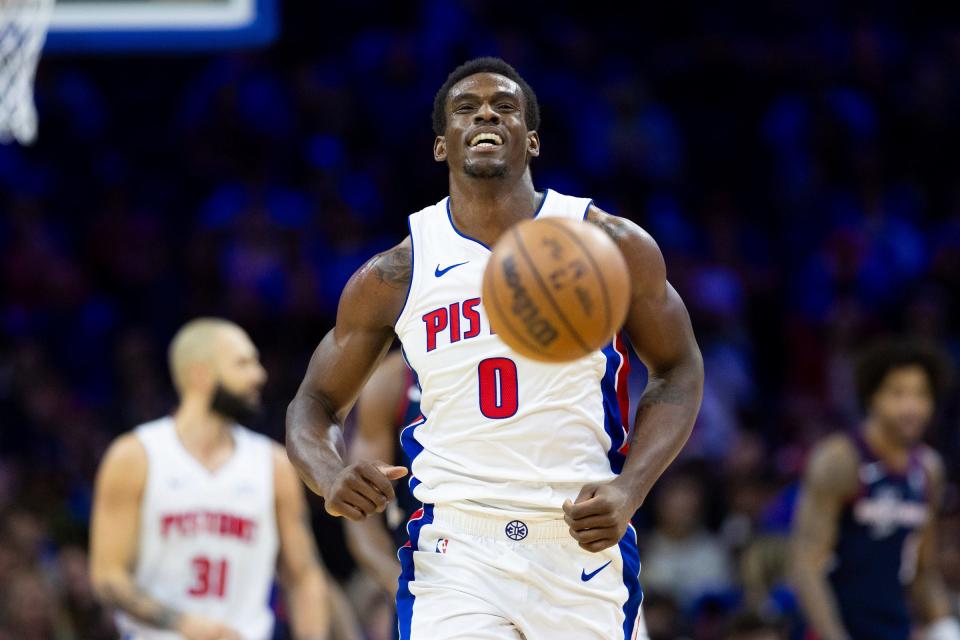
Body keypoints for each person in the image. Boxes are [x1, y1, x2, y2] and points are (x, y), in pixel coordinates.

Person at [286, 56, 703, 640]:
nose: (486, 112)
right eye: (465, 108)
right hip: (455, 549)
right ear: (441, 145)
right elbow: (313, 403)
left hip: (577, 534)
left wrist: (631, 487)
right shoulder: (397, 273)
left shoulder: (607, 243)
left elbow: (679, 368)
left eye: (504, 107)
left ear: (530, 140)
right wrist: (329, 475)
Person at [90, 318, 329, 640]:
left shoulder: (273, 464)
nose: (259, 375)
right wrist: (185, 624)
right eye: (242, 363)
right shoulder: (135, 456)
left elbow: (303, 576)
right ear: (200, 373)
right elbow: (108, 577)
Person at [790, 338, 959, 640]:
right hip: (834, 627)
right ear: (872, 397)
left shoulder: (929, 470)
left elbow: (922, 571)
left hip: (893, 627)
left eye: (921, 394)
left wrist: (945, 627)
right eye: (898, 393)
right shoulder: (839, 460)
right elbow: (806, 566)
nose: (912, 406)